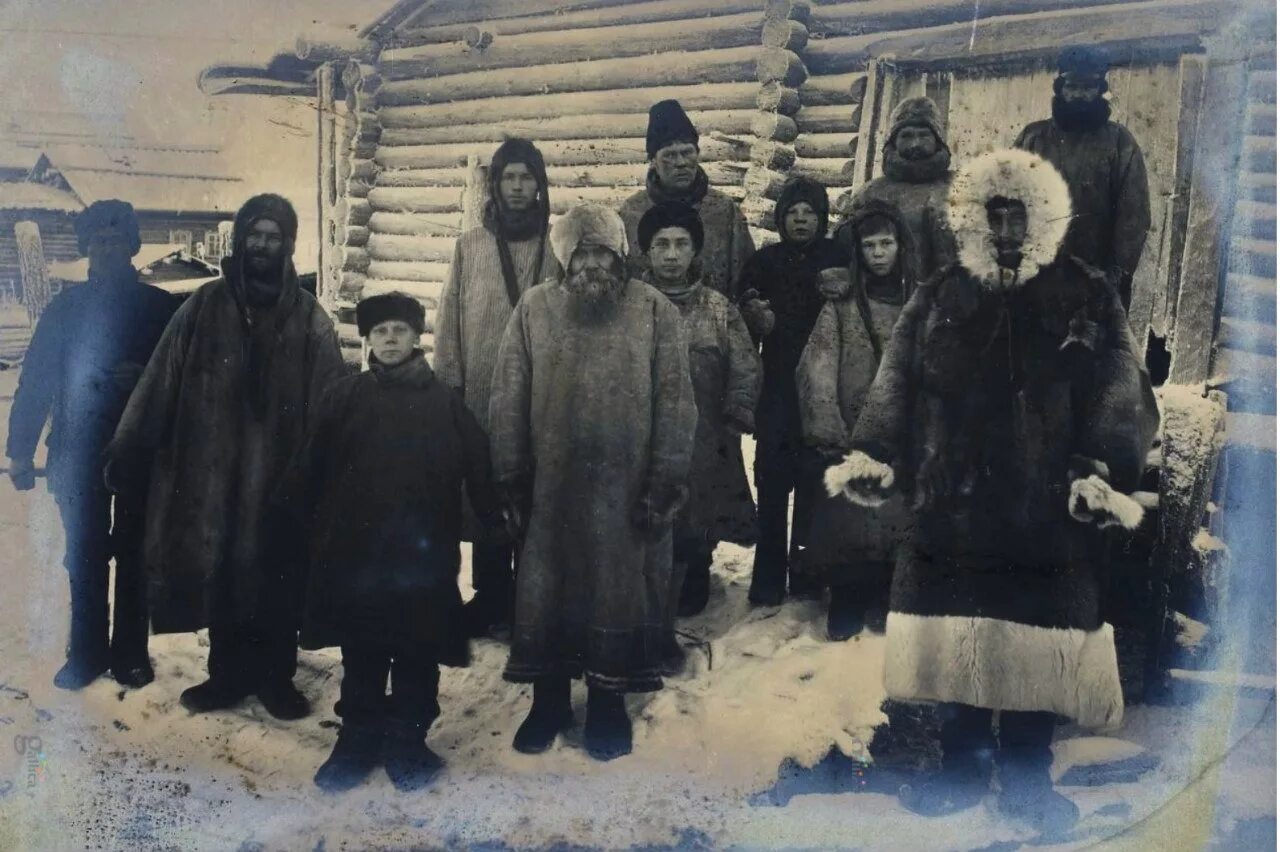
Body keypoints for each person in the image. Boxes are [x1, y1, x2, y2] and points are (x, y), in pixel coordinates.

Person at [825, 149, 1159, 838]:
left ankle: (1031, 775)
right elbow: (896, 379)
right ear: (975, 220)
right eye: (995, 217)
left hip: (1048, 501)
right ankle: (961, 765)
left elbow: (1120, 387)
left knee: (1038, 639)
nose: (1007, 232)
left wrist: (1100, 465)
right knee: (961, 638)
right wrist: (877, 450)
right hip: (956, 501)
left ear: (1044, 220)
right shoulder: (943, 292)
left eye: (1020, 217)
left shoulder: (1084, 292)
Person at [106, 193, 346, 720]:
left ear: (287, 245)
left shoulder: (309, 318)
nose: (262, 245)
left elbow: (333, 400)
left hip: (282, 476)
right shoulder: (204, 306)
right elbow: (159, 378)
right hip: (213, 474)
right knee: (222, 570)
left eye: (273, 236)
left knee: (278, 573)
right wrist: (129, 447)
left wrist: (334, 471)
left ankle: (276, 678)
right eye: (254, 235)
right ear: (240, 241)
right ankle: (226, 675)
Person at [272, 292, 504, 793]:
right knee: (363, 649)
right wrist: (289, 516)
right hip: (357, 555)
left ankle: (408, 740)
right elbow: (308, 465)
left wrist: (491, 515)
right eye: (380, 331)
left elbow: (479, 464)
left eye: (400, 329)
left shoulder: (444, 402)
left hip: (421, 556)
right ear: (368, 340)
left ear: (417, 337)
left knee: (417, 650)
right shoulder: (344, 396)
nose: (390, 338)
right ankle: (356, 738)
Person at [488, 204, 696, 761]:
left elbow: (676, 403)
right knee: (545, 589)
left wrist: (664, 482)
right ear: (563, 257)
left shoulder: (652, 312)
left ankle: (607, 704)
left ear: (619, 254)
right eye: (580, 253)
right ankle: (548, 699)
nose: (591, 264)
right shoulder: (534, 309)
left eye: (601, 251)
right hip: (549, 489)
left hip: (624, 491)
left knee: (617, 590)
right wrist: (510, 476)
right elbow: (507, 396)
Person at [7, 200, 177, 690]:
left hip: (140, 453)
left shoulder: (159, 308)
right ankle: (84, 653)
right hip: (76, 453)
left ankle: (130, 655)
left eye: (117, 241)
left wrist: (144, 375)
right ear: (86, 248)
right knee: (84, 553)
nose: (107, 249)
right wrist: (20, 450)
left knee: (134, 553)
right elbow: (36, 380)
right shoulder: (65, 310)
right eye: (98, 241)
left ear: (132, 248)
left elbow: (184, 379)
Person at [434, 138, 560, 638]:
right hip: (481, 396)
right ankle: (491, 597)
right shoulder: (470, 246)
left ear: (539, 185)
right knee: (487, 493)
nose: (517, 186)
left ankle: (531, 600)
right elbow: (449, 324)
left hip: (541, 393)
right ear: (495, 183)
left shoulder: (557, 245)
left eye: (526, 177)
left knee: (534, 491)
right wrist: (450, 389)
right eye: (509, 176)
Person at [637, 202, 760, 658]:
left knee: (698, 509)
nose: (671, 255)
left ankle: (695, 569)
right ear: (646, 253)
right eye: (661, 245)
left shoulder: (716, 307)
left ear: (695, 250)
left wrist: (738, 409)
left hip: (705, 432)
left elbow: (745, 364)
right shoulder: (633, 305)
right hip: (646, 431)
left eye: (681, 244)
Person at [796, 200, 918, 641]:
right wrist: (825, 421)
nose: (879, 254)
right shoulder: (843, 305)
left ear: (902, 247)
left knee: (895, 514)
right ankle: (847, 596)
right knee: (849, 519)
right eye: (870, 246)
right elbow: (818, 364)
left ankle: (887, 593)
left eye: (887, 243)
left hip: (902, 432)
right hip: (852, 428)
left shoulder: (920, 305)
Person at [735, 175, 849, 606]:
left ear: (822, 219)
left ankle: (804, 573)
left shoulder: (836, 257)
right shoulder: (766, 261)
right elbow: (742, 306)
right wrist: (753, 312)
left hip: (823, 381)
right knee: (772, 476)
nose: (801, 221)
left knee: (813, 476)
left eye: (810, 214)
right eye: (792, 214)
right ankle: (766, 576)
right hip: (777, 383)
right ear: (781, 219)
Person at [1015, 45, 1151, 310]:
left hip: (1096, 277)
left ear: (1100, 91)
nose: (1079, 95)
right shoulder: (1033, 138)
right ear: (1060, 89)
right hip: (1037, 273)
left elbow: (1133, 215)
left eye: (1088, 87)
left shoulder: (1119, 142)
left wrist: (1115, 274)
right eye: (1072, 86)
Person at [620, 99, 754, 299]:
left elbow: (745, 277)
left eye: (687, 152)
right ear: (653, 162)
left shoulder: (723, 210)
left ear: (697, 154)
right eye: (670, 155)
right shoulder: (631, 212)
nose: (681, 162)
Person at [834, 96, 955, 281]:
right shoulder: (871, 193)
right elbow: (844, 249)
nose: (916, 144)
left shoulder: (962, 187)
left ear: (938, 141)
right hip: (890, 301)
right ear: (893, 142)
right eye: (906, 136)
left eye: (924, 135)